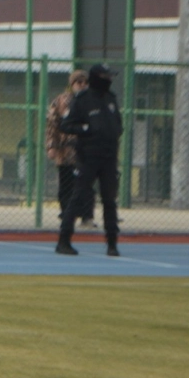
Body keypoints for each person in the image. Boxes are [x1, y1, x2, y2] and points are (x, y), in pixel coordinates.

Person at [55, 63, 123, 257]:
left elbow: (118, 124)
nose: (108, 80)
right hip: (88, 157)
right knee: (78, 196)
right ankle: (64, 240)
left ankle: (112, 243)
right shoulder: (83, 100)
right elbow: (66, 125)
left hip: (109, 157)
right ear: (96, 78)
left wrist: (113, 133)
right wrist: (86, 130)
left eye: (110, 77)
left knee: (109, 200)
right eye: (105, 77)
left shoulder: (110, 99)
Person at [46, 70, 92, 228]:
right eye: (79, 82)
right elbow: (52, 125)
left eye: (86, 83)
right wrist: (52, 146)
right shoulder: (61, 101)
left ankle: (86, 216)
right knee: (66, 185)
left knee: (86, 185)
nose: (83, 85)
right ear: (72, 84)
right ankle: (66, 215)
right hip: (65, 151)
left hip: (86, 151)